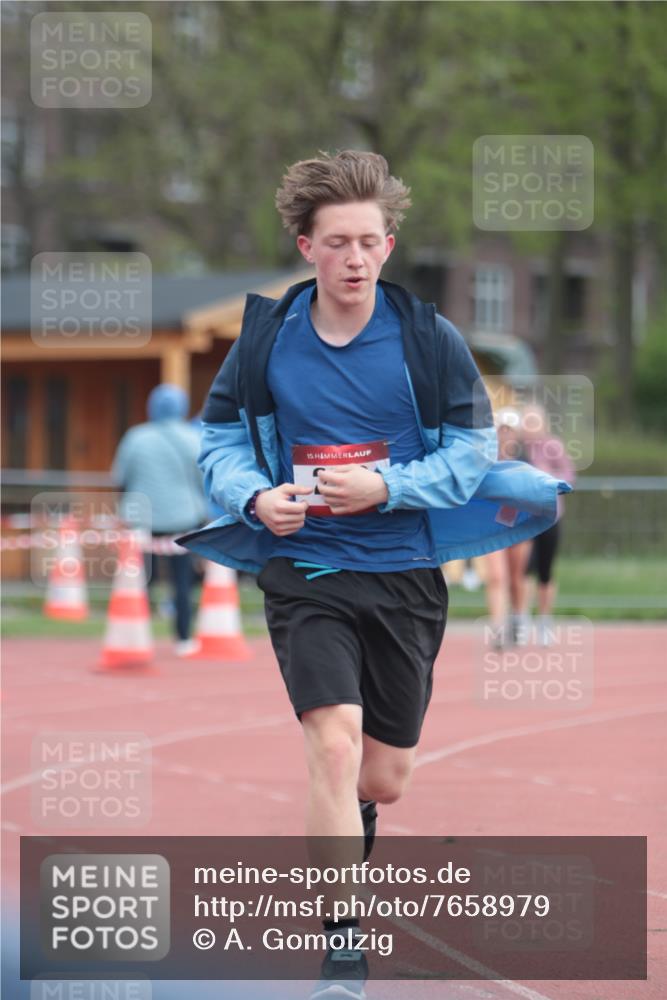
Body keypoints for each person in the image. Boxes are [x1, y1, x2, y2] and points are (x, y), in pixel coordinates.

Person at [179, 150, 570, 998]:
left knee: (379, 778)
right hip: (307, 568)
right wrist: (256, 498)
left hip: (404, 573)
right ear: (306, 246)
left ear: (388, 246)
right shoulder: (265, 340)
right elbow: (216, 443)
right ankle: (342, 943)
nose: (356, 258)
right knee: (330, 743)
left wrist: (387, 484)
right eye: (338, 242)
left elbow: (470, 452)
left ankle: (353, 824)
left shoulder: (428, 340)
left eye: (370, 241)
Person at [111, 383, 208, 656]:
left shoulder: (135, 437)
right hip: (183, 517)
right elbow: (203, 480)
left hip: (141, 519)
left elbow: (119, 477)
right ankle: (183, 639)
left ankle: (135, 636)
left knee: (139, 582)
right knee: (182, 582)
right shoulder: (192, 437)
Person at [521, 403, 575, 644]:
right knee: (523, 569)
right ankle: (521, 619)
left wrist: (546, 479)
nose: (530, 427)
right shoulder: (517, 448)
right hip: (523, 517)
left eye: (534, 421)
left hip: (550, 517)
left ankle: (544, 621)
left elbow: (569, 474)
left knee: (545, 570)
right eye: (527, 421)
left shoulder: (552, 446)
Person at [481, 408, 533, 648]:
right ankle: (497, 630)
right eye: (501, 429)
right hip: (491, 525)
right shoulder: (485, 458)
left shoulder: (525, 459)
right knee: (496, 577)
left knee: (515, 578)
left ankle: (519, 618)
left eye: (509, 430)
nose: (505, 434)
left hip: (519, 525)